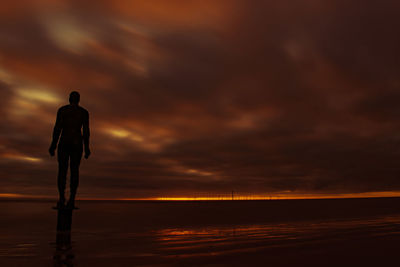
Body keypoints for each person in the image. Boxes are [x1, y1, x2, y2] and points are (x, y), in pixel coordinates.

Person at [49, 91, 91, 209]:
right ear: (78, 99)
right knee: (73, 171)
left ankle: (63, 198)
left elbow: (57, 129)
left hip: (65, 143)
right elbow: (86, 132)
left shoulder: (63, 110)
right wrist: (87, 148)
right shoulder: (83, 112)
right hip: (76, 144)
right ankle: (70, 199)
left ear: (69, 99)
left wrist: (53, 145)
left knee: (63, 171)